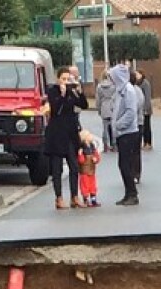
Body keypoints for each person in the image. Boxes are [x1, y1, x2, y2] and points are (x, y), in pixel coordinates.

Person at [44, 66, 89, 209]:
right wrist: (62, 95)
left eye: (67, 79)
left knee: (74, 166)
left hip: (70, 134)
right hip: (56, 135)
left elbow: (83, 105)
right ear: (58, 79)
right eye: (63, 79)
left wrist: (80, 93)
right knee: (57, 169)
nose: (65, 82)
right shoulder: (53, 91)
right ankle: (58, 197)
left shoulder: (71, 91)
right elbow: (56, 109)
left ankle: (74, 197)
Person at [110, 63, 141, 206]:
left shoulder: (128, 90)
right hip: (122, 134)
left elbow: (130, 112)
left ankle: (132, 194)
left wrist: (118, 125)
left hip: (128, 133)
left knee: (126, 165)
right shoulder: (120, 90)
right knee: (123, 165)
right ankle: (128, 193)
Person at [129, 69, 146, 183]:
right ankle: (134, 173)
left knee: (134, 150)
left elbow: (137, 105)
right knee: (133, 151)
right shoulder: (137, 90)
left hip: (135, 124)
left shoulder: (134, 91)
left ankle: (135, 173)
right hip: (136, 123)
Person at [77, 129, 101, 207]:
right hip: (84, 171)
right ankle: (86, 198)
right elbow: (81, 161)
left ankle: (93, 198)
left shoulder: (92, 147)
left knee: (93, 185)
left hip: (91, 170)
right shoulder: (82, 149)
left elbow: (97, 156)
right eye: (89, 135)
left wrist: (96, 159)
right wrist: (80, 155)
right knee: (85, 185)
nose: (91, 136)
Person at [96, 74, 116, 152]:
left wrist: (99, 109)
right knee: (113, 127)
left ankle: (105, 145)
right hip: (112, 107)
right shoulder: (114, 86)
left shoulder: (99, 87)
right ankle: (114, 145)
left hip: (104, 107)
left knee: (105, 128)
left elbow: (98, 100)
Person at [136, 69, 154, 150]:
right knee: (140, 127)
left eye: (138, 74)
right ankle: (142, 142)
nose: (136, 75)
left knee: (147, 126)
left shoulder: (145, 83)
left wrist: (146, 108)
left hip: (146, 109)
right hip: (139, 109)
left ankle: (148, 142)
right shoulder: (136, 83)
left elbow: (147, 96)